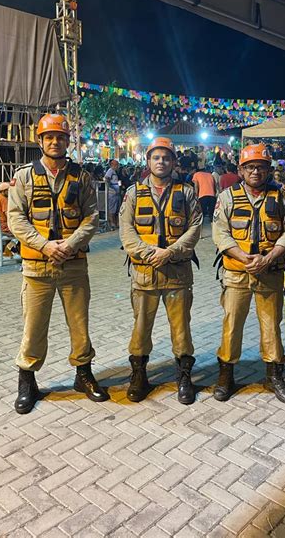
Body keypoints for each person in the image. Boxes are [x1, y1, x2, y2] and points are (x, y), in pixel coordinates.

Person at [8, 113, 108, 414]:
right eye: (49, 136)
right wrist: (45, 245)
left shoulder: (83, 176)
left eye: (60, 137)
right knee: (33, 327)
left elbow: (92, 217)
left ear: (68, 141)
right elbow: (15, 217)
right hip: (37, 267)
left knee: (80, 325)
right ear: (39, 141)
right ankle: (27, 382)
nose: (55, 141)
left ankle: (83, 374)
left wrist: (69, 244)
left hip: (73, 265)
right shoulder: (24, 176)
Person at [212, 142, 285, 405]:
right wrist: (243, 257)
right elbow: (220, 233)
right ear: (240, 169)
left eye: (261, 167)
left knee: (271, 326)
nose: (256, 171)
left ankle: (274, 376)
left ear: (269, 169)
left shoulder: (280, 196)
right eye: (250, 167)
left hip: (269, 273)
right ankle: (226, 376)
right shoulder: (226, 197)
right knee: (231, 325)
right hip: (237, 273)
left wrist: (269, 257)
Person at [119, 137, 203, 405]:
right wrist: (149, 254)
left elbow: (195, 228)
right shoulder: (133, 193)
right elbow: (126, 231)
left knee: (181, 330)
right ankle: (139, 376)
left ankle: (184, 376)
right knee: (141, 328)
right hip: (144, 275)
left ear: (174, 162)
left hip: (177, 275)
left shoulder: (186, 192)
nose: (161, 162)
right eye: (156, 157)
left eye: (166, 157)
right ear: (148, 161)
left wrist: (169, 253)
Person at [105, 159, 120, 230]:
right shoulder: (110, 171)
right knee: (112, 208)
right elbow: (107, 178)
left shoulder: (115, 172)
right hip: (112, 193)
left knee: (115, 208)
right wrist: (111, 186)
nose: (117, 166)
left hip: (116, 193)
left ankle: (115, 222)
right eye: (116, 164)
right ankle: (112, 222)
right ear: (112, 165)